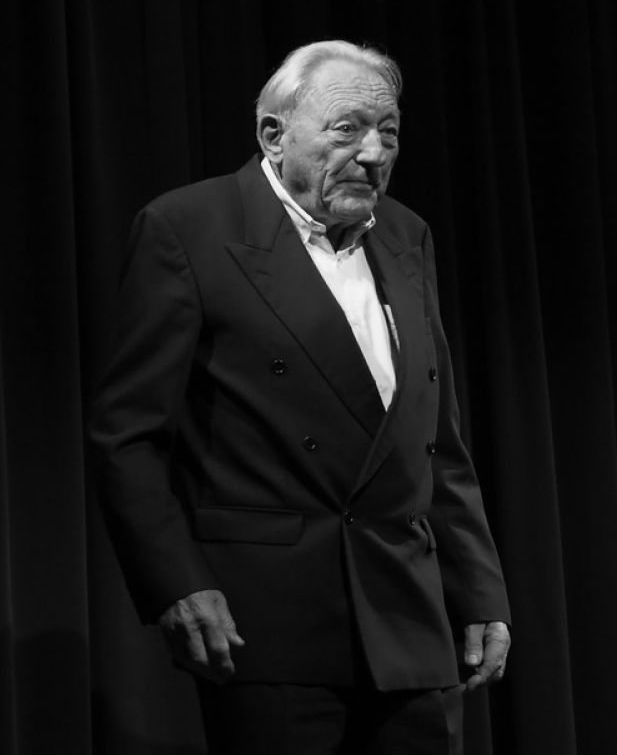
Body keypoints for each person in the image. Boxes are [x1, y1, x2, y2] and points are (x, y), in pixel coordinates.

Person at [90, 39, 511, 754]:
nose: (373, 153)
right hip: (268, 615)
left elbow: (433, 438)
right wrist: (175, 584)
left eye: (388, 133)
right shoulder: (190, 228)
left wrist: (478, 588)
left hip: (407, 610)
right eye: (348, 129)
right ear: (273, 134)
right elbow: (127, 435)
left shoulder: (406, 234)